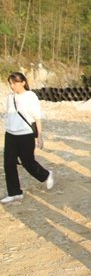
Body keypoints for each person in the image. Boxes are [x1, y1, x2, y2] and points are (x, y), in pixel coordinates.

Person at [2, 72, 54, 204]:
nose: (12, 86)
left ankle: (46, 175)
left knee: (27, 162)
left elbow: (37, 117)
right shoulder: (10, 98)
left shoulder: (30, 96)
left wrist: (40, 136)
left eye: (15, 83)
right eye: (11, 83)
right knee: (8, 163)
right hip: (10, 134)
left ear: (23, 82)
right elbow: (9, 114)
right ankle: (15, 193)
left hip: (25, 134)